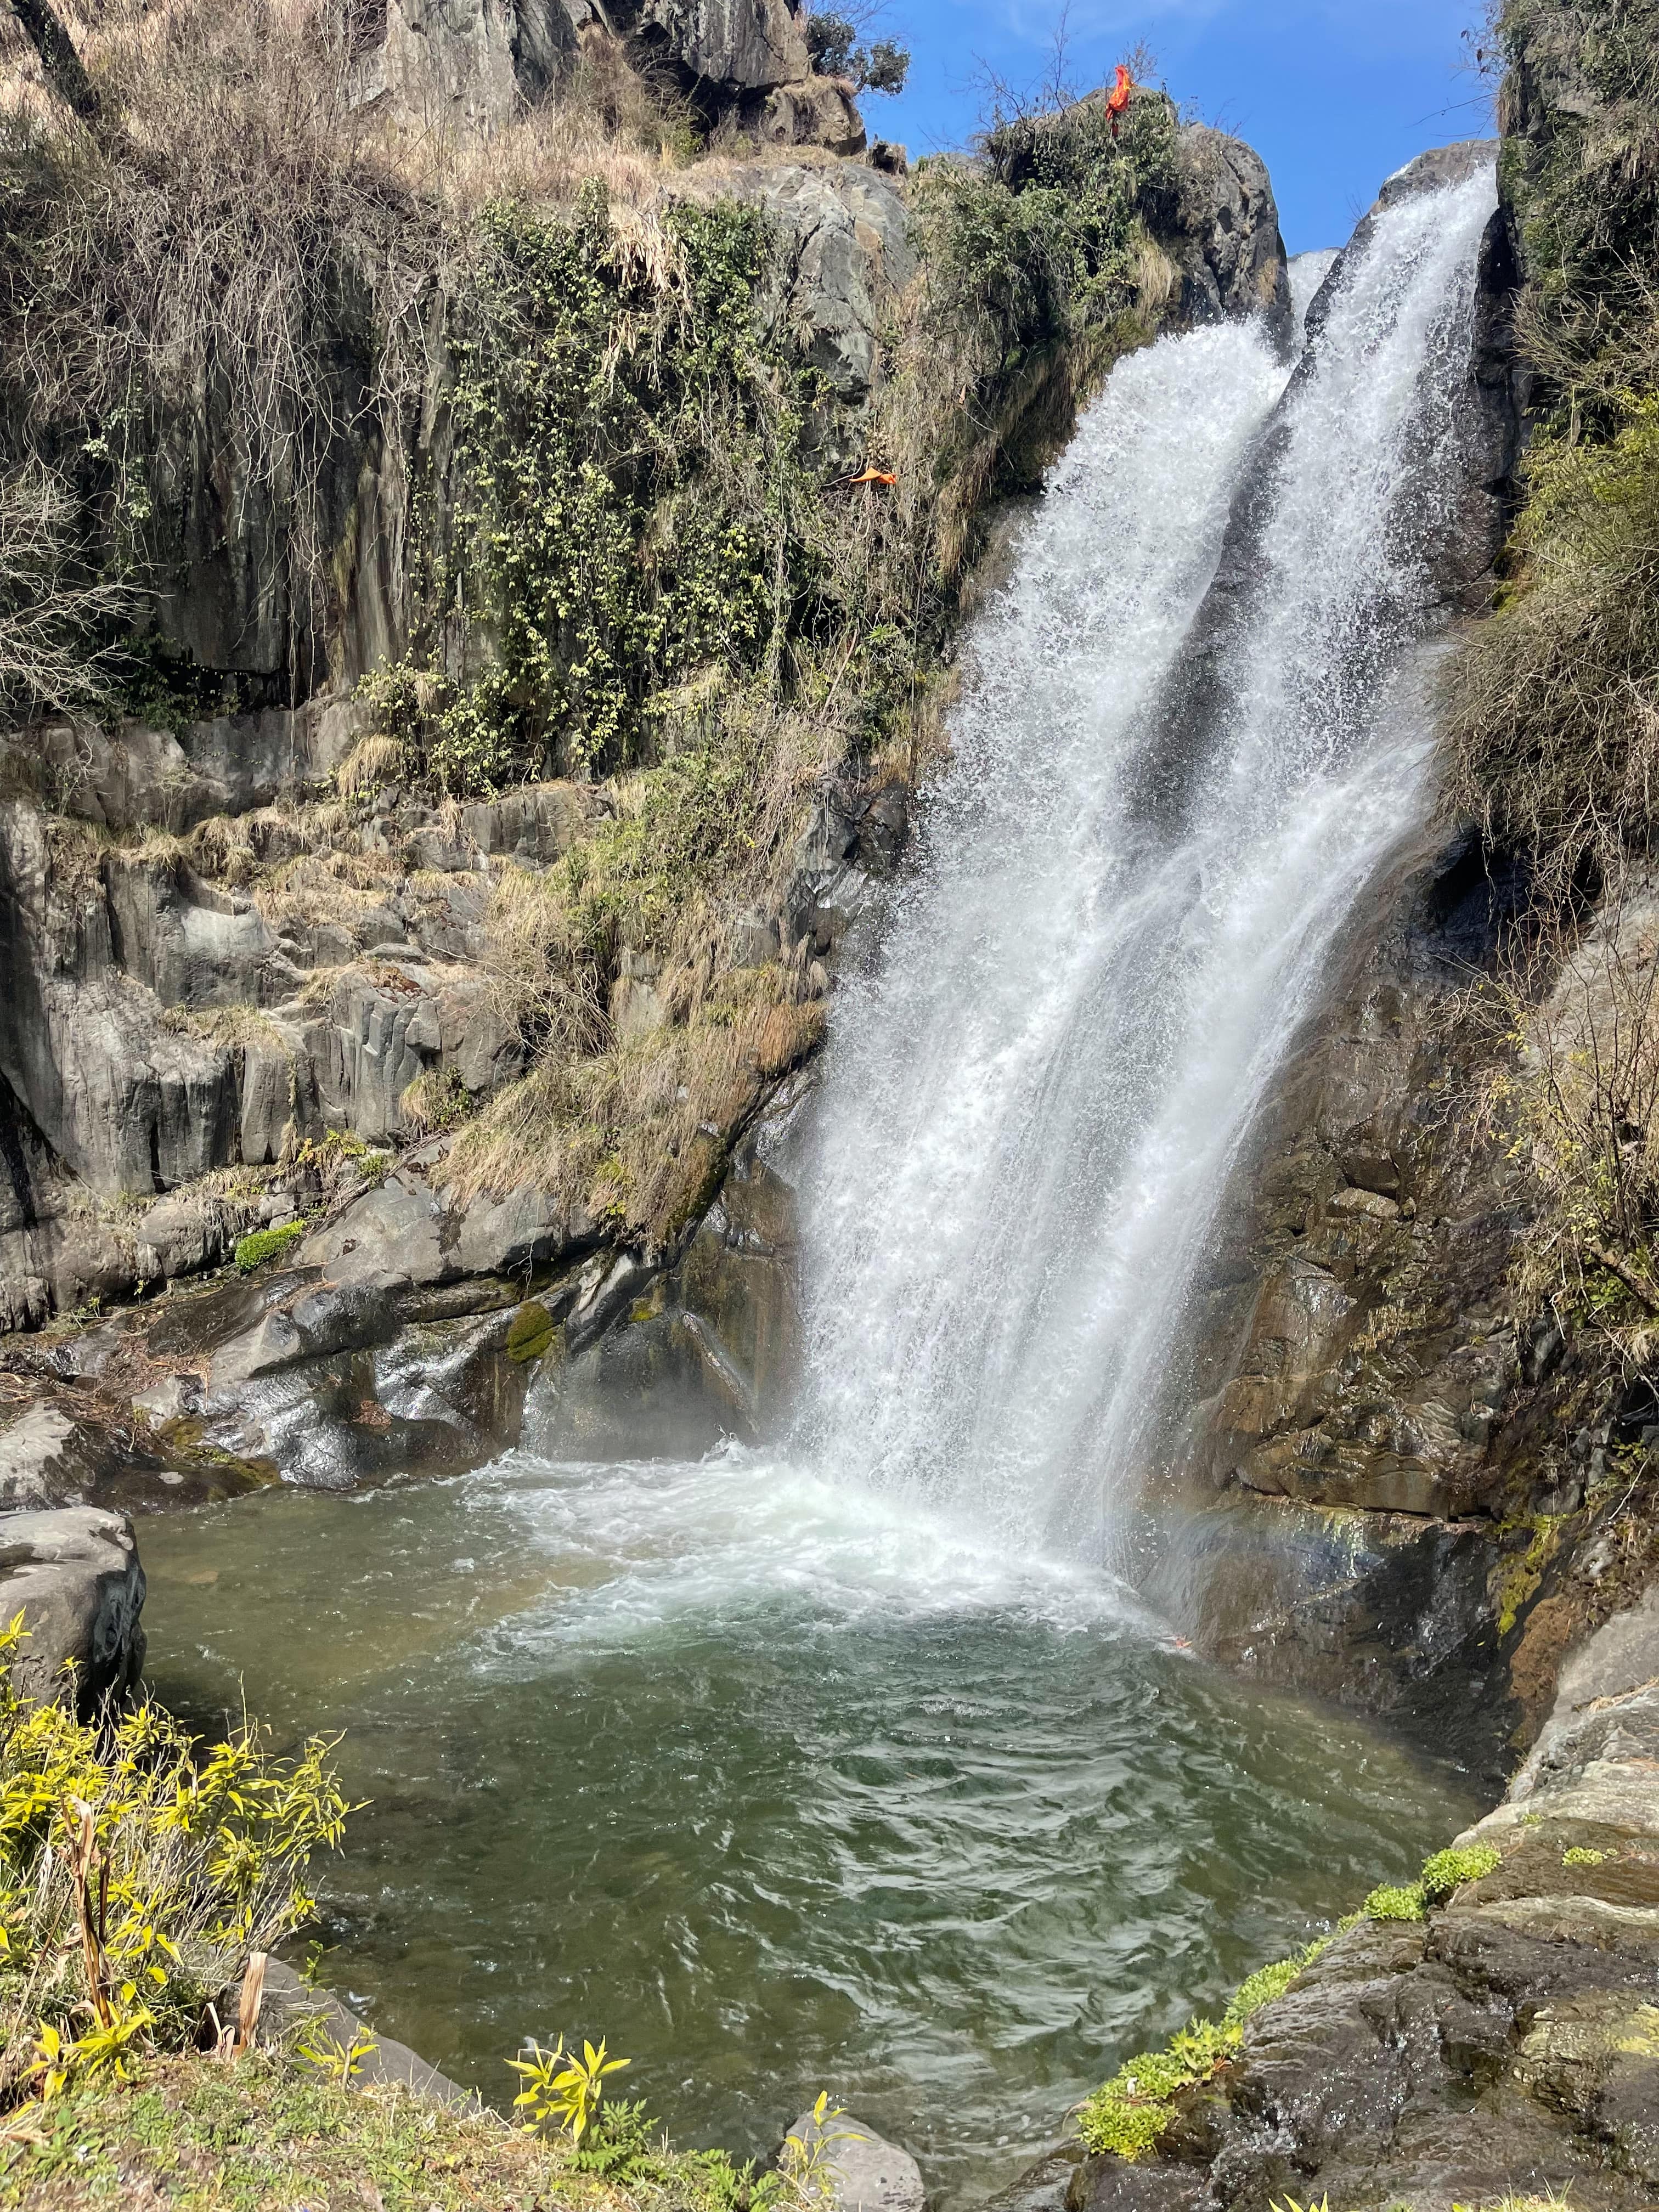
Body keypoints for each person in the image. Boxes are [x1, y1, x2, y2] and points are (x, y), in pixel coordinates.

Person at [1106, 61, 1133, 138]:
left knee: (1115, 121)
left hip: (1118, 103)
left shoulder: (1124, 82)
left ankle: (1114, 134)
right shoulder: (1123, 83)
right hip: (1118, 103)